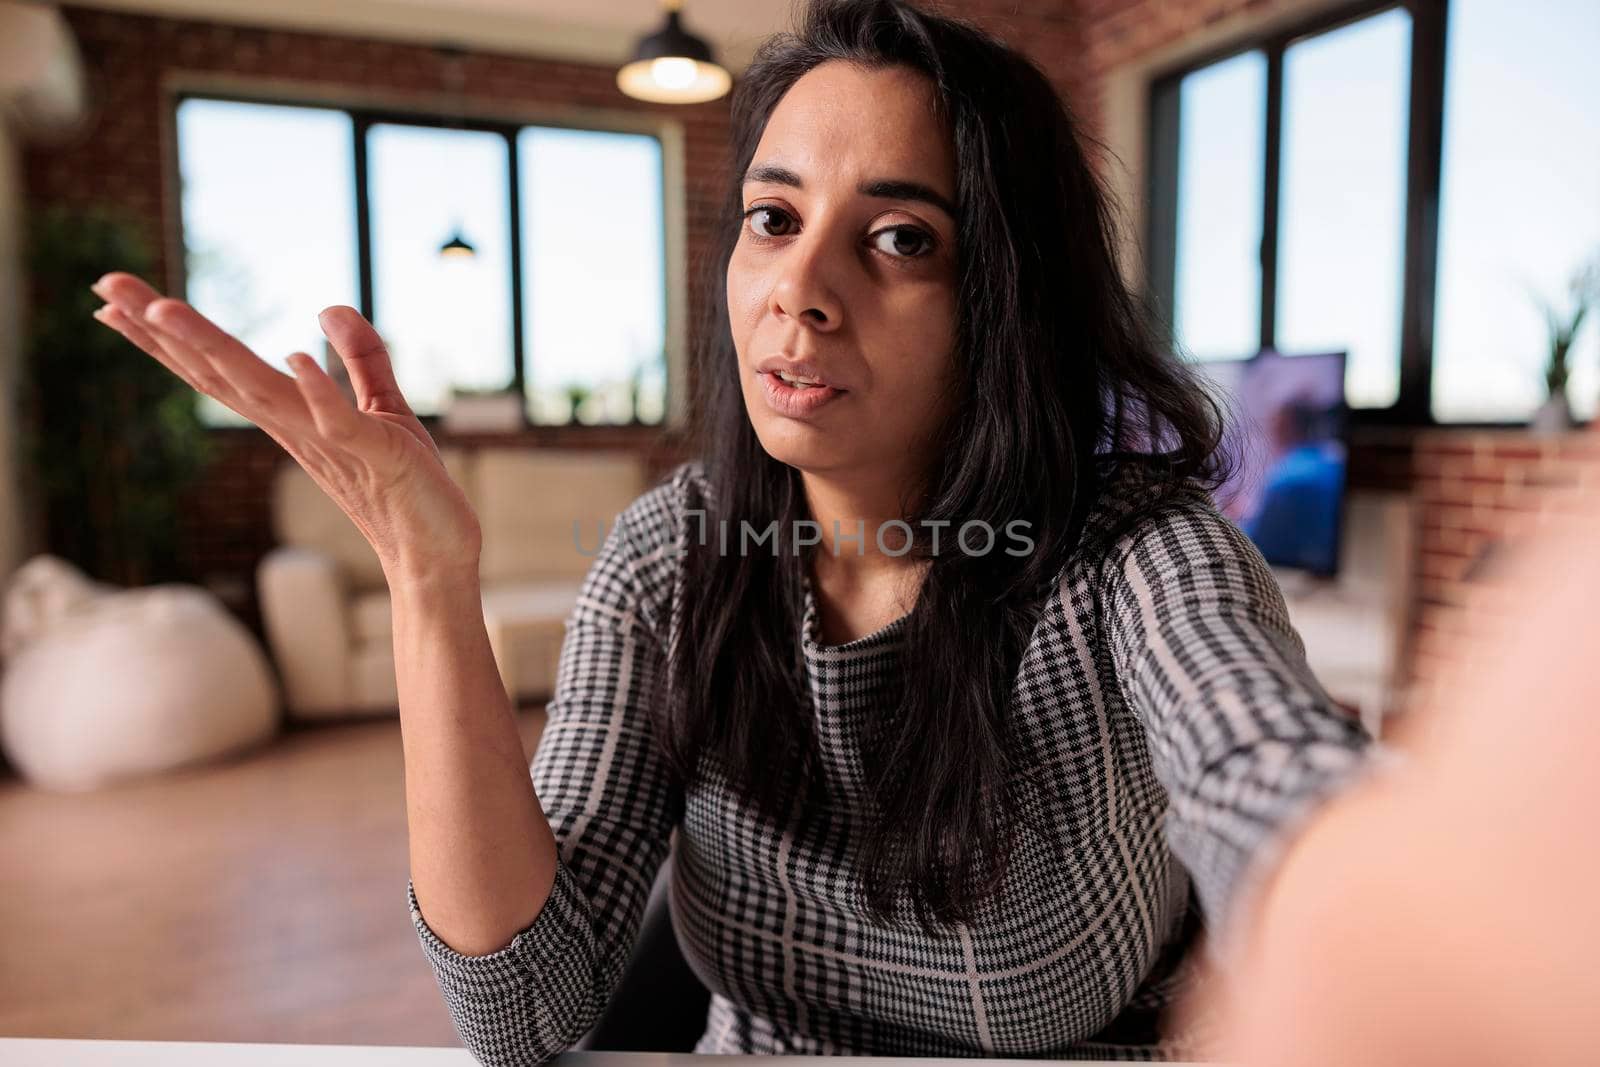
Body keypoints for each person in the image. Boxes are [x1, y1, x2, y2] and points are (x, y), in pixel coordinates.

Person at [89, 0, 1377, 1060]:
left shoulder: (1134, 556)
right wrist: (428, 574)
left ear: (1008, 302)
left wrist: (1396, 902)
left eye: (899, 237)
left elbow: (1269, 784)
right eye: (774, 219)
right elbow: (519, 1012)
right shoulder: (670, 560)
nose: (799, 293)